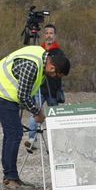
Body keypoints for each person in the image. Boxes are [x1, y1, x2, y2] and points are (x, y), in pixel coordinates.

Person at [0, 42, 69, 189]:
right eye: (56, 74)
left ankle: (12, 176)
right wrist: (37, 112)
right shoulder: (32, 66)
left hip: (7, 93)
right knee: (15, 133)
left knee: (12, 132)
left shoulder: (41, 58)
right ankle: (10, 177)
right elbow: (23, 96)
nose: (55, 77)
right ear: (52, 67)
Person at [23, 23, 66, 154]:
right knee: (34, 112)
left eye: (51, 33)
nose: (48, 35)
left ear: (55, 35)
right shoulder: (39, 50)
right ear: (43, 35)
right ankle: (32, 139)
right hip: (40, 88)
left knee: (54, 116)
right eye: (46, 33)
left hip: (53, 89)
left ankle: (57, 143)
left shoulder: (59, 52)